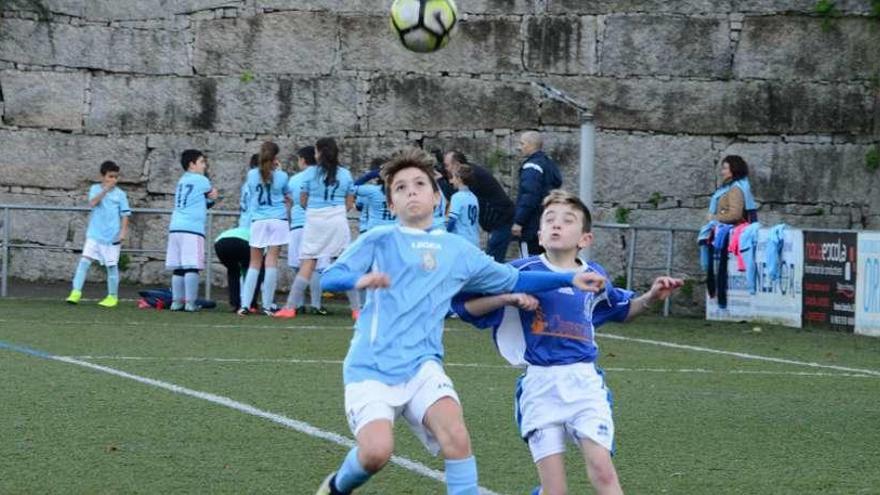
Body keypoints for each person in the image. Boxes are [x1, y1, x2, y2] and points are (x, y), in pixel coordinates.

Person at [314, 148, 607, 495]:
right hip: (371, 367)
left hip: (423, 366)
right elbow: (331, 276)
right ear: (391, 204)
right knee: (377, 452)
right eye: (401, 187)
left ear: (437, 198)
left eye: (420, 184)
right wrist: (358, 280)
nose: (411, 191)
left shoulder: (457, 250)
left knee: (456, 437)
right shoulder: (380, 239)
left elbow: (511, 280)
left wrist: (567, 279)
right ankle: (335, 487)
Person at [452, 190, 683, 495]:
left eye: (567, 220)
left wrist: (651, 297)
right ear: (540, 234)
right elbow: (463, 308)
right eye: (550, 220)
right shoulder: (520, 272)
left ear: (585, 239)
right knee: (555, 490)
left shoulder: (594, 276)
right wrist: (508, 298)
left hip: (585, 383)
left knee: (603, 471)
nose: (556, 225)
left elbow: (623, 310)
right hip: (540, 386)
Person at [290, 137, 358, 319]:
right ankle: (357, 309)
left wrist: (315, 208)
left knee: (308, 262)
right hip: (337, 218)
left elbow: (302, 200)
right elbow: (350, 202)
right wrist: (336, 210)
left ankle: (290, 307)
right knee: (344, 263)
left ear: (318, 153)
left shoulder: (310, 174)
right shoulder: (345, 174)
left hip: (315, 220)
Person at [65, 160, 131, 308]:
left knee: (111, 267)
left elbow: (125, 214)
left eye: (116, 177)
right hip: (95, 234)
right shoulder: (95, 189)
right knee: (84, 262)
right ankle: (75, 292)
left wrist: (123, 232)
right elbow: (93, 203)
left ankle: (112, 296)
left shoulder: (121, 194)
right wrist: (105, 190)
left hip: (112, 236)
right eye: (110, 176)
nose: (113, 180)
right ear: (103, 177)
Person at [238, 141, 290, 316]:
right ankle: (268, 305)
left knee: (254, 263)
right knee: (272, 262)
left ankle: (245, 304)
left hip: (259, 220)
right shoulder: (282, 176)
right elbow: (288, 196)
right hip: (278, 219)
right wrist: (279, 171)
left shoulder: (252, 175)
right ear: (275, 158)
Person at [275, 146, 329, 318]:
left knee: (298, 265)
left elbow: (288, 202)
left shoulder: (294, 180)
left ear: (303, 160)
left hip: (298, 225)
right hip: (317, 225)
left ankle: (298, 303)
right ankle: (316, 304)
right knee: (317, 267)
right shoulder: (324, 177)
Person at [165, 149, 219, 312]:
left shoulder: (182, 180)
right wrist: (214, 196)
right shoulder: (201, 180)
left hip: (175, 227)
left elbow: (199, 201)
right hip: (192, 228)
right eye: (202, 162)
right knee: (192, 266)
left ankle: (176, 302)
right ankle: (190, 303)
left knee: (179, 267)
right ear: (192, 164)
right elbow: (211, 197)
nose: (205, 165)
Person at [443, 151, 516, 262]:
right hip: (474, 239)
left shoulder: (461, 194)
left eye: (447, 166)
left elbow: (452, 218)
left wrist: (444, 233)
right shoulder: (472, 196)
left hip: (500, 219)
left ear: (457, 165)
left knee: (493, 259)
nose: (446, 170)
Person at [213, 155, 262, 312]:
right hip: (254, 226)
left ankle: (238, 302)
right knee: (255, 267)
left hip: (243, 225)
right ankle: (250, 302)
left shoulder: (247, 182)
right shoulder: (261, 180)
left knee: (238, 269)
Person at [513, 131, 562, 257]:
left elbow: (529, 195)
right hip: (547, 222)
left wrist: (519, 221)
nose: (519, 147)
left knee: (528, 263)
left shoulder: (531, 167)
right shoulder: (549, 165)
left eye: (522, 143)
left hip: (531, 225)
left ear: (530, 145)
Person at [708, 155, 758, 224]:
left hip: (731, 231)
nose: (722, 172)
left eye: (725, 169)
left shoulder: (735, 189)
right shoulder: (728, 187)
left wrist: (714, 218)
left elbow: (735, 215)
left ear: (734, 169)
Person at [446, 164, 480, 246]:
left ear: (459, 179)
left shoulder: (457, 197)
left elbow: (452, 220)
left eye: (453, 177)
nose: (451, 181)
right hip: (474, 241)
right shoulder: (474, 197)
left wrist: (445, 233)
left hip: (462, 241)